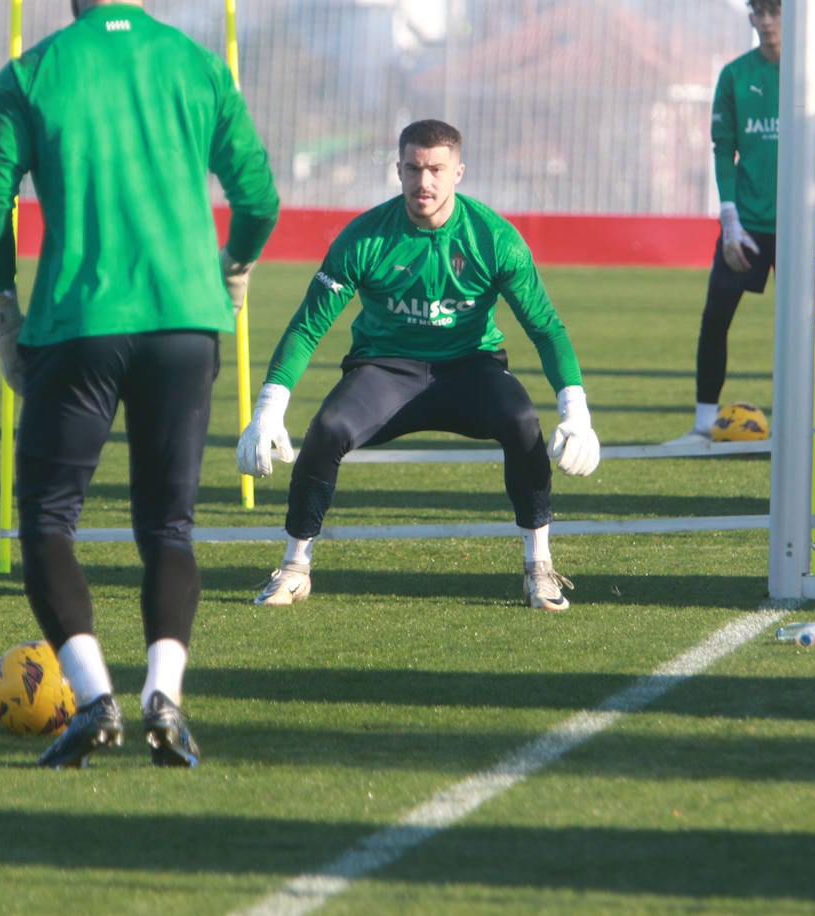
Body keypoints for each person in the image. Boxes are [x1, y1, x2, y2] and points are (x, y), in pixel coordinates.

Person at [0, 0, 279, 769]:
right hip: (185, 319)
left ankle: (94, 697)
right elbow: (260, 199)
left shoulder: (32, 70)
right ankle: (163, 698)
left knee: (46, 521)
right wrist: (232, 270)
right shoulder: (198, 63)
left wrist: (1, 308)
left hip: (77, 322)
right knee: (168, 529)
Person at [237, 119, 599, 612]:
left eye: (435, 169)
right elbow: (307, 327)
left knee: (522, 422)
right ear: (399, 169)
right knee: (328, 427)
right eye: (412, 168)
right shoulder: (365, 236)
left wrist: (576, 411)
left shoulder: (494, 238)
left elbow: (547, 328)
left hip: (471, 369)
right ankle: (295, 566)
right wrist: (268, 408)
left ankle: (539, 566)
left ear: (458, 173)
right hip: (385, 370)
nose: (423, 181)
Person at [689, 0, 815, 438]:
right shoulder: (735, 76)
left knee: (804, 325)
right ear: (750, 19)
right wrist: (729, 221)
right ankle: (705, 421)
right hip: (749, 224)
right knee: (716, 317)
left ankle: (800, 424)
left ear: (793, 17)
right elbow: (723, 148)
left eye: (775, 12)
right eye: (759, 13)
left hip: (802, 227)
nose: (767, 22)